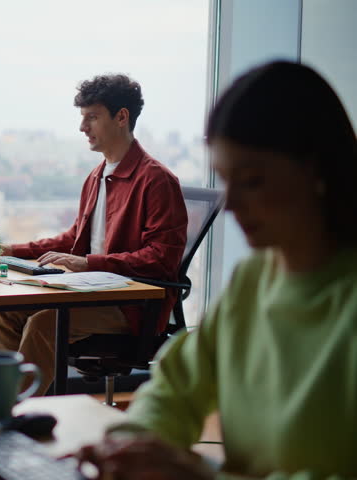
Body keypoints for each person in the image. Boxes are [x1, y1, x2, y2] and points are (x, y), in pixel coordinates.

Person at [77, 61, 357, 479]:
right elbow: (176, 386)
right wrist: (131, 443)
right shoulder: (254, 279)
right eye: (228, 181)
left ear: (316, 169)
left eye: (254, 181)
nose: (234, 206)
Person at [0, 74, 188, 395]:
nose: (82, 127)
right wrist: (9, 249)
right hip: (94, 292)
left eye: (92, 117)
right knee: (1, 312)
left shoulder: (156, 180)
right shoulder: (97, 175)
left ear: (121, 117)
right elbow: (72, 238)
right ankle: (10, 401)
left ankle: (13, 413)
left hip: (133, 304)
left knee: (47, 323)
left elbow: (161, 259)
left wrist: (89, 263)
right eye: (82, 117)